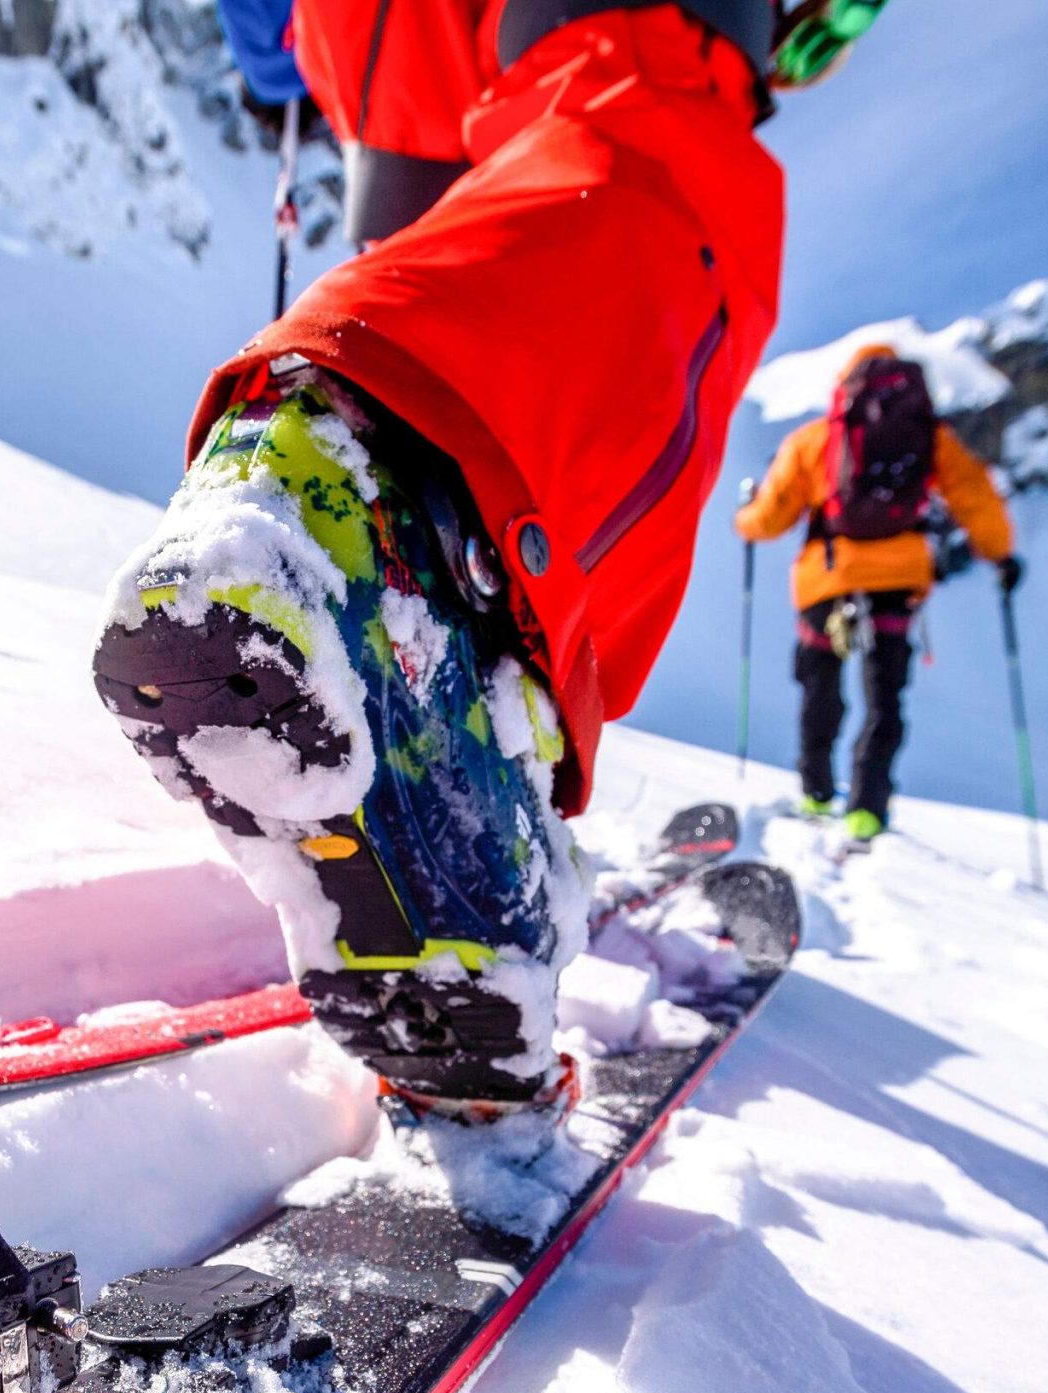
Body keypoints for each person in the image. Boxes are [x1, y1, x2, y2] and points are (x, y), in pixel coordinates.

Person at [92, 0, 887, 1122]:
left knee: (484, 272)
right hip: (506, 57)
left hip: (392, 74)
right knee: (651, 143)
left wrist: (277, 53)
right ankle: (353, 509)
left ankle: (412, 653)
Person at [734, 343, 1020, 845]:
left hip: (826, 581)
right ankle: (868, 808)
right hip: (896, 585)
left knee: (820, 687)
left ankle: (817, 792)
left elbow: (771, 517)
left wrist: (746, 516)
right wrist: (1000, 555)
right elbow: (975, 496)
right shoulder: (929, 437)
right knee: (884, 697)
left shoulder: (814, 441)